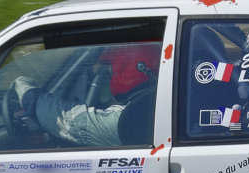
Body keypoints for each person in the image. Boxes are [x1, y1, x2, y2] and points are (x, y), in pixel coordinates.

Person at [10, 42, 159, 148]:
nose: (111, 74)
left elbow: (70, 122)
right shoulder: (159, 102)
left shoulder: (135, 117)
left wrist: (26, 90)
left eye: (110, 70)